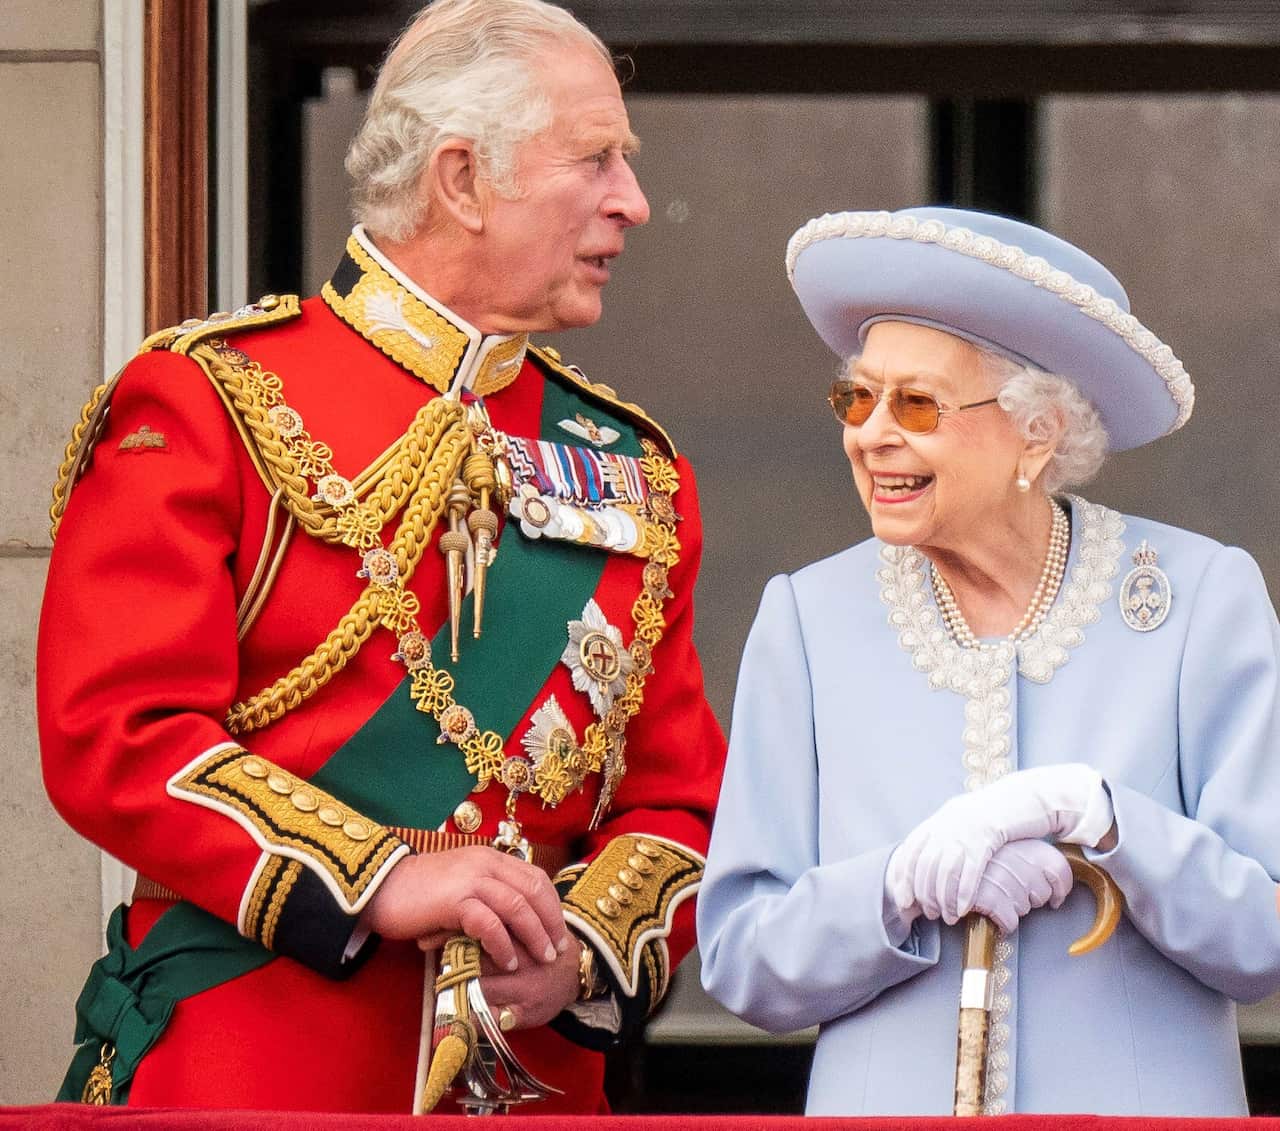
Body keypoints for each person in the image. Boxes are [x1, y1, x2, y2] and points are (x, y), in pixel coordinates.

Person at [38, 0, 725, 1114]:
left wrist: (582, 951)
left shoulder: (633, 467)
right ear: (461, 180)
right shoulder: (213, 399)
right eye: (595, 158)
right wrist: (384, 879)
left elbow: (681, 806)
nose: (632, 202)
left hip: (530, 1077)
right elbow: (117, 735)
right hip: (257, 1066)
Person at [697, 205, 1280, 1116]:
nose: (870, 433)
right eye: (858, 397)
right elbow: (742, 957)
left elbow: (1265, 940)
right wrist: (892, 888)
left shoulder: (1200, 600)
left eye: (916, 403)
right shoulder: (807, 619)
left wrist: (1105, 819)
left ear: (1036, 431)